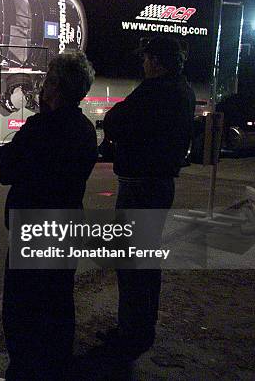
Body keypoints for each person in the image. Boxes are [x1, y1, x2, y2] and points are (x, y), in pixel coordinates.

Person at [0, 51, 98, 380]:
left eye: (48, 80)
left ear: (57, 87)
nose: (41, 87)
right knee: (58, 302)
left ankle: (24, 370)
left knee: (21, 308)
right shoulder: (84, 129)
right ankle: (57, 366)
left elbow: (7, 170)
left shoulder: (40, 127)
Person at [100, 35, 196, 360]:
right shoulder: (183, 89)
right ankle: (140, 329)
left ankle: (131, 334)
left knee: (131, 263)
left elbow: (113, 122)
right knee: (145, 261)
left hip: (141, 187)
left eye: (145, 59)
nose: (142, 64)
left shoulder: (155, 90)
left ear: (155, 61)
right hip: (160, 184)